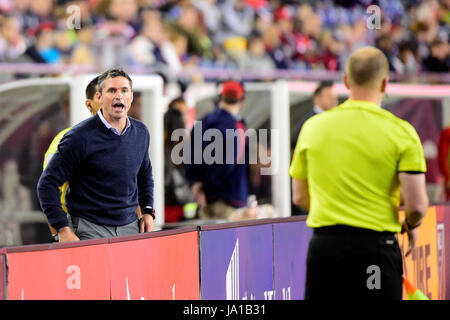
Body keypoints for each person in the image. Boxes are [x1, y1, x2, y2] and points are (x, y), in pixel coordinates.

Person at [290, 46, 429, 300]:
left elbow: (299, 197)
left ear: (346, 80)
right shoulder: (402, 132)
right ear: (385, 83)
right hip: (376, 250)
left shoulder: (312, 128)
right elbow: (417, 204)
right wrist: (411, 224)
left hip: (325, 249)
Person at [37, 68, 155, 242]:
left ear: (131, 97)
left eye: (124, 90)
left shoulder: (141, 132)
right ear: (99, 98)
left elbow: (144, 175)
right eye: (111, 90)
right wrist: (62, 229)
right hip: (88, 228)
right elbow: (46, 184)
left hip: (130, 228)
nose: (119, 96)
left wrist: (147, 211)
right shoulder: (78, 137)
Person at [42, 76, 101, 240]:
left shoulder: (127, 137)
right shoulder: (68, 139)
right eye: (100, 95)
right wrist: (60, 231)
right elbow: (48, 187)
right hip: (78, 226)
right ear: (89, 105)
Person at [185, 80, 249, 220]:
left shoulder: (203, 122)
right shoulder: (237, 127)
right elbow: (229, 163)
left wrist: (197, 185)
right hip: (230, 201)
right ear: (241, 101)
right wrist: (207, 187)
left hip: (204, 201)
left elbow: (189, 159)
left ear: (220, 98)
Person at [291, 80, 338, 216]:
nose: (334, 100)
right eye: (329, 96)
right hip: (311, 188)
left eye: (334, 97)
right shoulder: (309, 123)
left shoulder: (333, 120)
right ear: (317, 99)